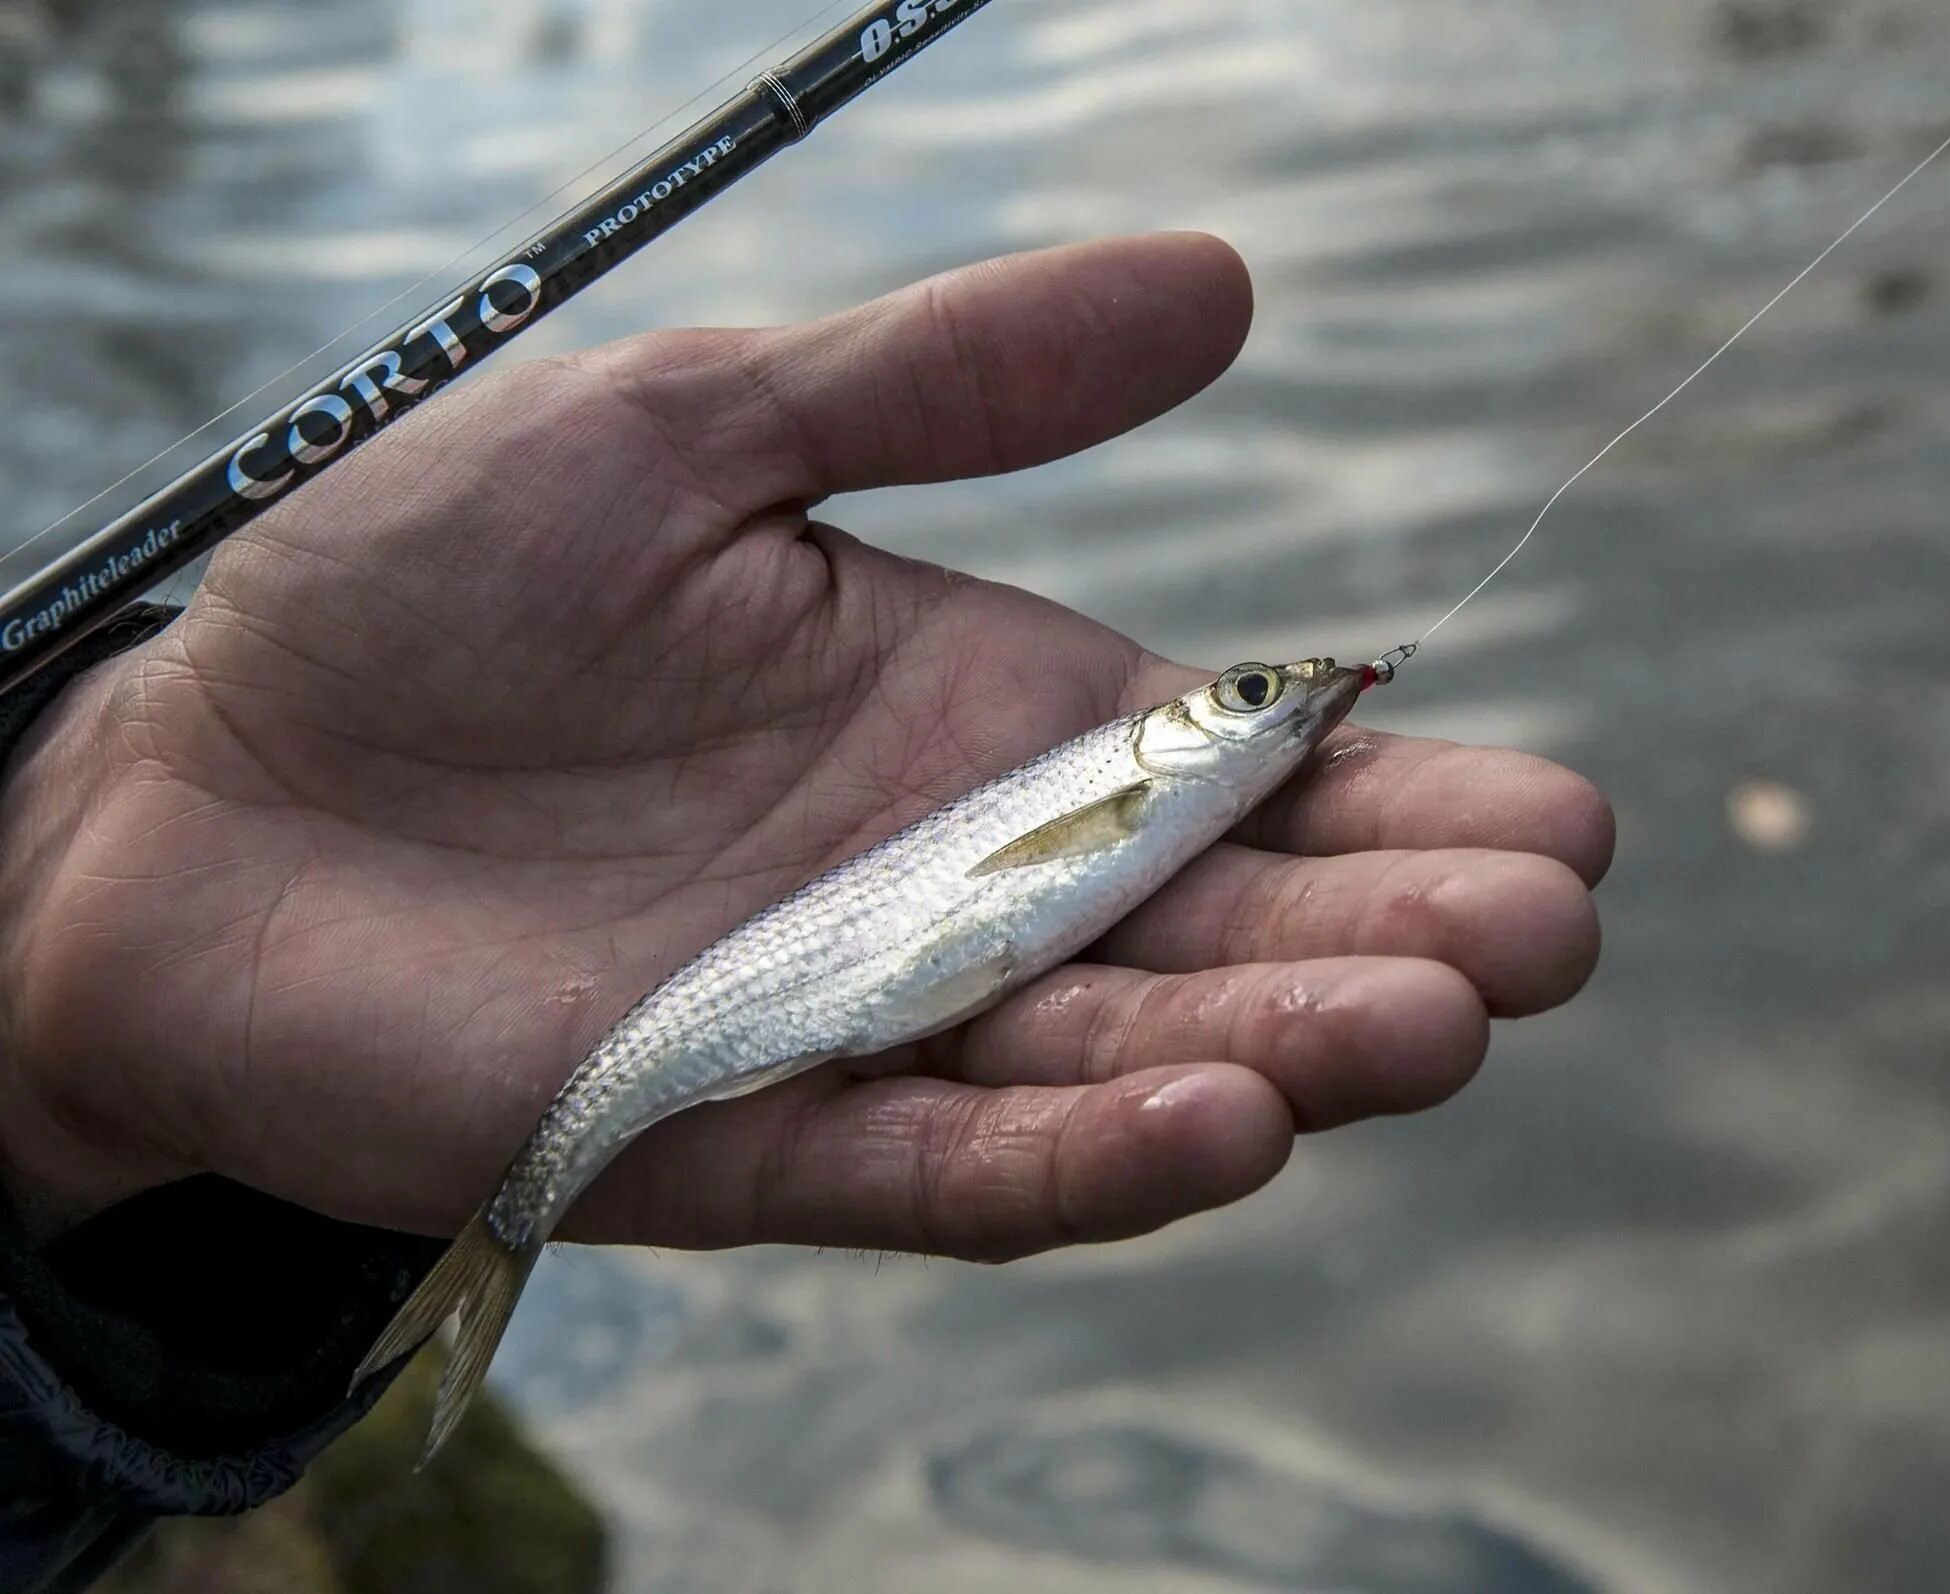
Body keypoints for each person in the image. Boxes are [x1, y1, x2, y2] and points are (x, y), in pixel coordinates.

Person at [0, 233, 1610, 1589]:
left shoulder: (1197, 775)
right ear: (1185, 747)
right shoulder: (1155, 764)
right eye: (1256, 691)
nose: (1280, 702)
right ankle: (489, 1246)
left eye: (1269, 695)